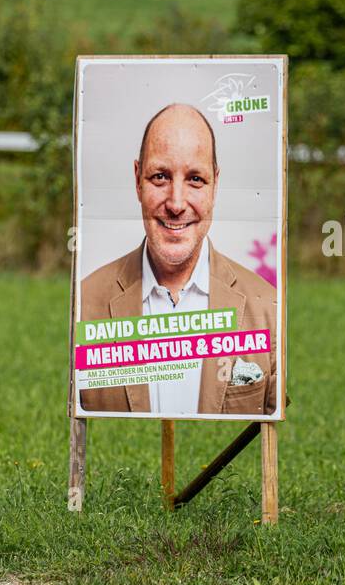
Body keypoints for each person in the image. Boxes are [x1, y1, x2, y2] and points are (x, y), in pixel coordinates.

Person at [78, 103, 278, 416]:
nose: (176, 203)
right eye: (160, 177)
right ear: (137, 180)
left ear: (215, 185)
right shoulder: (85, 303)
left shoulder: (268, 307)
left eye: (196, 179)